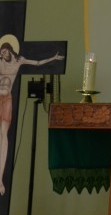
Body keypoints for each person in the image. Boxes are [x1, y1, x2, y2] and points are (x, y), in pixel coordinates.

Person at [0, 40, 64, 195]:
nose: (3, 55)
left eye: (5, 52)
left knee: (3, 135)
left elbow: (37, 62)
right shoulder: (0, 63)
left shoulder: (19, 61)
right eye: (1, 53)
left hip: (6, 100)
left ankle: (0, 179)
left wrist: (53, 58)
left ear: (10, 51)